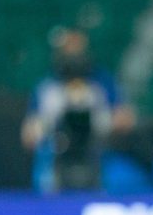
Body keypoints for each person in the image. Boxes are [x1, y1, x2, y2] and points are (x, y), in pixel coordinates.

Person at [21, 27, 135, 193]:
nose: (73, 55)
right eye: (69, 49)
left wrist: (101, 118)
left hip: (96, 152)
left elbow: (126, 118)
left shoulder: (101, 82)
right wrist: (47, 123)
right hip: (58, 154)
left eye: (77, 48)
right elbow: (28, 135)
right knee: (44, 173)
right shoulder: (48, 88)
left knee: (119, 173)